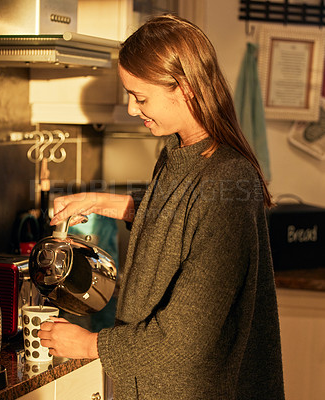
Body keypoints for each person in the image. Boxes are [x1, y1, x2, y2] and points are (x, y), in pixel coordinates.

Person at [38, 14, 285, 399]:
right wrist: (109, 202)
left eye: (140, 97)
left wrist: (89, 345)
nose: (134, 110)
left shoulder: (228, 177)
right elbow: (181, 219)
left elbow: (184, 336)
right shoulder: (181, 154)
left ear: (184, 89)